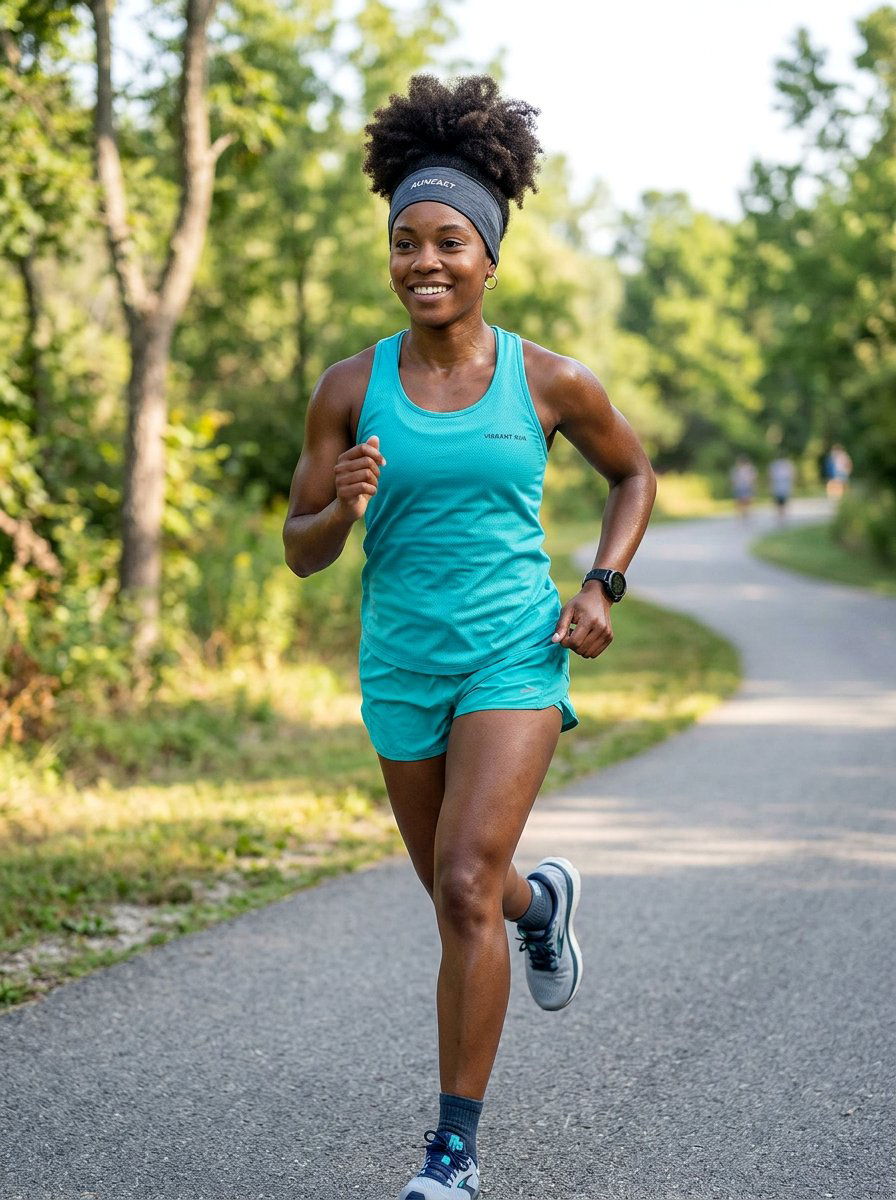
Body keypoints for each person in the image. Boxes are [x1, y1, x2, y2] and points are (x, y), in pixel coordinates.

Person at [282, 74, 656, 1200]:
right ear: (389, 256)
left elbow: (633, 472)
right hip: (399, 667)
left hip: (511, 655)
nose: (426, 261)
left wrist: (600, 584)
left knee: (458, 886)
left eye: (450, 240)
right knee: (473, 893)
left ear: (489, 255)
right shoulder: (349, 389)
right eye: (406, 242)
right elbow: (298, 548)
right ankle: (542, 909)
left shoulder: (547, 380)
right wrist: (340, 509)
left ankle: (451, 1152)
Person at [768, 455, 795, 522]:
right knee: (779, 502)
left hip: (783, 487)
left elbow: (791, 476)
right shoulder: (776, 466)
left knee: (782, 502)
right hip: (779, 487)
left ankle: (782, 517)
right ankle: (780, 516)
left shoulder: (786, 466)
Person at [730, 454, 757, 520]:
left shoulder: (748, 469)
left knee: (744, 502)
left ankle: (744, 516)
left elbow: (752, 479)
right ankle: (743, 516)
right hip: (742, 487)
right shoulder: (737, 469)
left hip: (745, 487)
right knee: (742, 503)